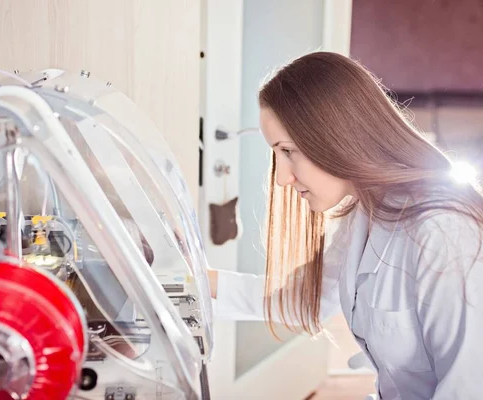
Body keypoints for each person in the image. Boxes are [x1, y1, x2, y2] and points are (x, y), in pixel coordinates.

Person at [207, 52, 483, 400]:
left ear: (337, 136)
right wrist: (195, 282)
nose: (281, 179)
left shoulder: (445, 234)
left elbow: (469, 389)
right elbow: (307, 300)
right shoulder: (365, 211)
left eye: (288, 151)